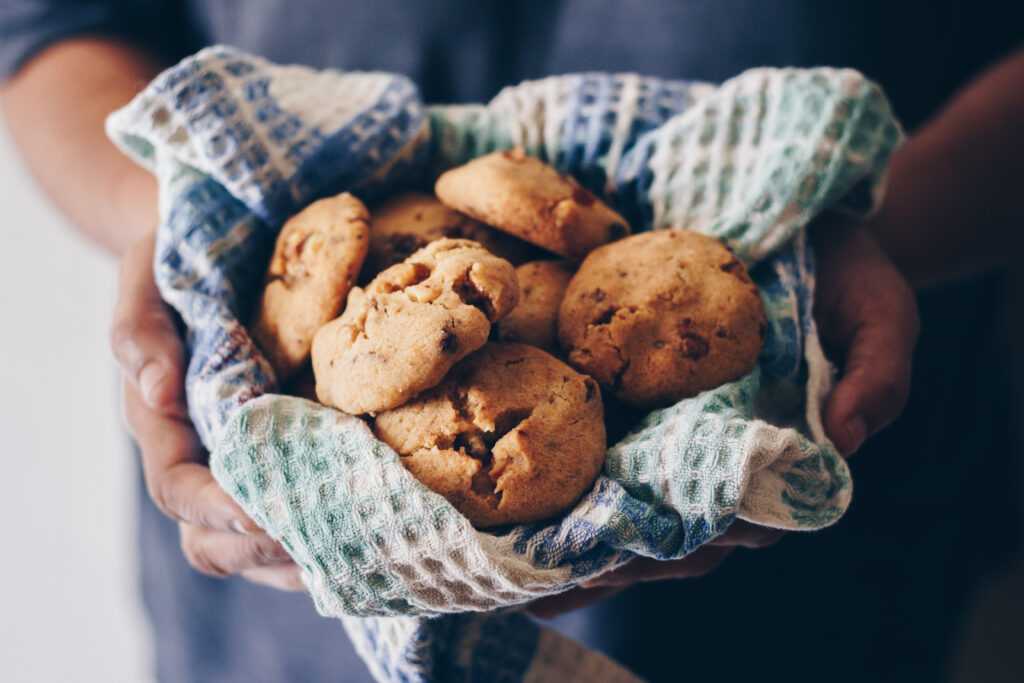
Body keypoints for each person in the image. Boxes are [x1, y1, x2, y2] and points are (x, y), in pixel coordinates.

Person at [1, 2, 1020, 681]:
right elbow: (52, 25)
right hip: (288, 616)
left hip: (806, 563)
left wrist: (876, 227)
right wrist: (167, 221)